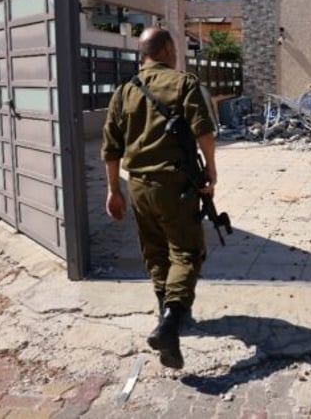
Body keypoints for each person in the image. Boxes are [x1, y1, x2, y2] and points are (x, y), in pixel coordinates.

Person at [101, 26, 217, 369]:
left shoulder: (123, 91)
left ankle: (164, 315)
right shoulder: (184, 83)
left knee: (155, 252)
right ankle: (171, 322)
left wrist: (113, 190)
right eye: (175, 47)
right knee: (187, 252)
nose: (178, 53)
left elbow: (110, 148)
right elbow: (204, 131)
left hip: (137, 186)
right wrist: (211, 169)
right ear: (166, 48)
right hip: (175, 185)